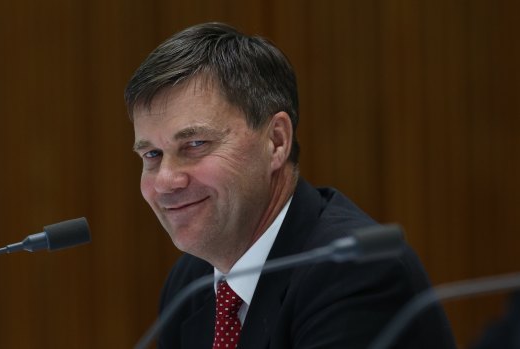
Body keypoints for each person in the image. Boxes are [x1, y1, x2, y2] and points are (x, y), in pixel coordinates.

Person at [125, 22, 456, 349]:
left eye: (195, 144)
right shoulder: (191, 282)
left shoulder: (355, 272)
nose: (166, 180)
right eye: (152, 154)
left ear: (276, 141)